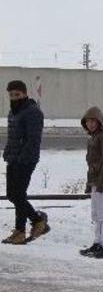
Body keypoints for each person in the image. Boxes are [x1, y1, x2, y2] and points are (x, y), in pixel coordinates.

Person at [2, 80, 49, 245]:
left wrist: (22, 158)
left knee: (19, 194)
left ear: (24, 93)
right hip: (13, 158)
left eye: (17, 94)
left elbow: (33, 140)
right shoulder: (14, 112)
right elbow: (12, 136)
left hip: (25, 160)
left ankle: (20, 231)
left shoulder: (33, 112)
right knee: (12, 194)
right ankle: (37, 221)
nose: (14, 97)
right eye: (11, 95)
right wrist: (8, 153)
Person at [78, 106, 103, 260]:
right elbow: (91, 163)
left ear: (99, 122)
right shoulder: (93, 138)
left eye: (94, 121)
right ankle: (98, 243)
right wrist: (90, 183)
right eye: (88, 121)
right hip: (96, 180)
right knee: (97, 214)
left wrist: (101, 183)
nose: (91, 124)